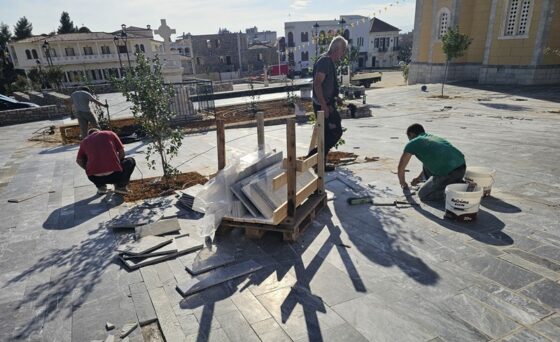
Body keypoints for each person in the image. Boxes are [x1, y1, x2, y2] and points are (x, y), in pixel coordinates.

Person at [308, 35, 348, 171]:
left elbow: (327, 84)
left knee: (326, 135)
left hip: (327, 104)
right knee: (335, 132)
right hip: (322, 105)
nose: (342, 55)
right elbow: (317, 84)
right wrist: (324, 105)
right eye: (343, 51)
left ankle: (320, 165)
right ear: (337, 50)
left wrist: (336, 97)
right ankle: (312, 158)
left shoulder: (328, 61)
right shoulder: (325, 61)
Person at [397, 123, 466, 201]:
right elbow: (428, 163)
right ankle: (457, 184)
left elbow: (401, 168)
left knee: (423, 195)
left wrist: (403, 183)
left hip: (449, 172)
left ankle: (459, 192)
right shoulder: (431, 138)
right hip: (461, 167)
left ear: (411, 134)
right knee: (426, 163)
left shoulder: (412, 143)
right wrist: (418, 179)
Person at [76, 128, 135, 195]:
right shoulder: (110, 133)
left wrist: (87, 169)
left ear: (89, 135)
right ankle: (120, 187)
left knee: (87, 159)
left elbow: (79, 160)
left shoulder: (84, 141)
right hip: (115, 175)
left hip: (95, 178)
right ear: (99, 131)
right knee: (130, 161)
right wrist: (116, 164)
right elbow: (122, 153)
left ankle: (101, 187)